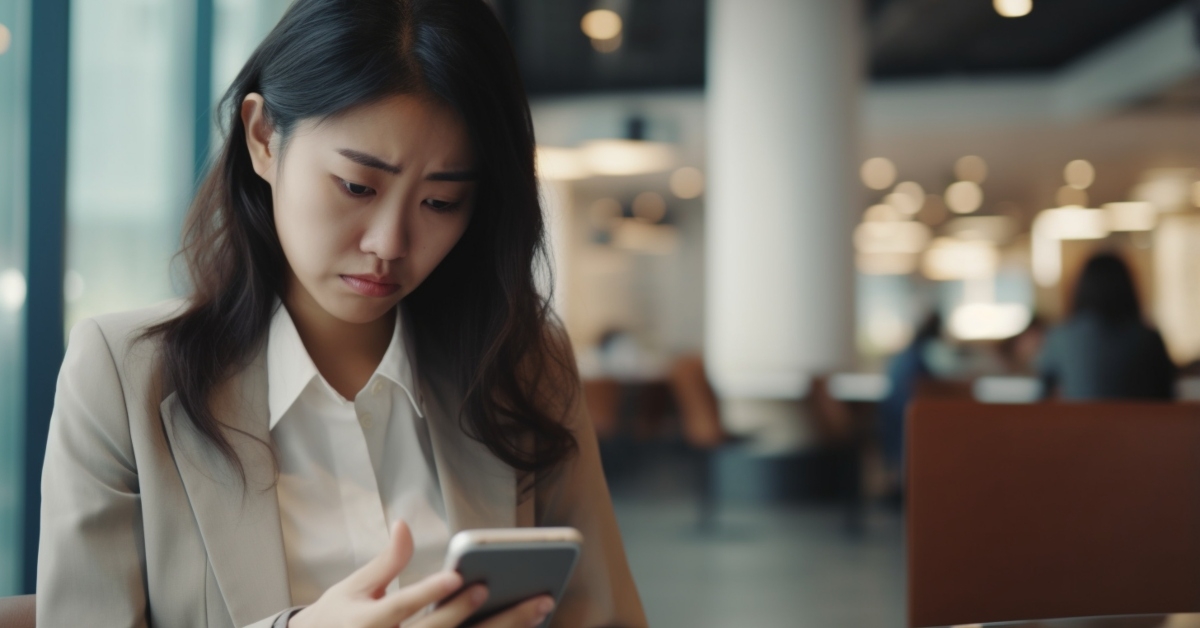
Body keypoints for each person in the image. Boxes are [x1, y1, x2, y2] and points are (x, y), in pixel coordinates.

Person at [36, 1, 646, 627]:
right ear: (263, 137)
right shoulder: (124, 378)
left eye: (441, 201)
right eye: (357, 186)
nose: (390, 243)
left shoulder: (521, 364)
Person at [1038, 252, 1176, 400]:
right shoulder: (1148, 339)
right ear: (1128, 289)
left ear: (1081, 289)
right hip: (1139, 415)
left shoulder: (1060, 338)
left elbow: (1043, 393)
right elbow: (1167, 394)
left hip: (1080, 415)